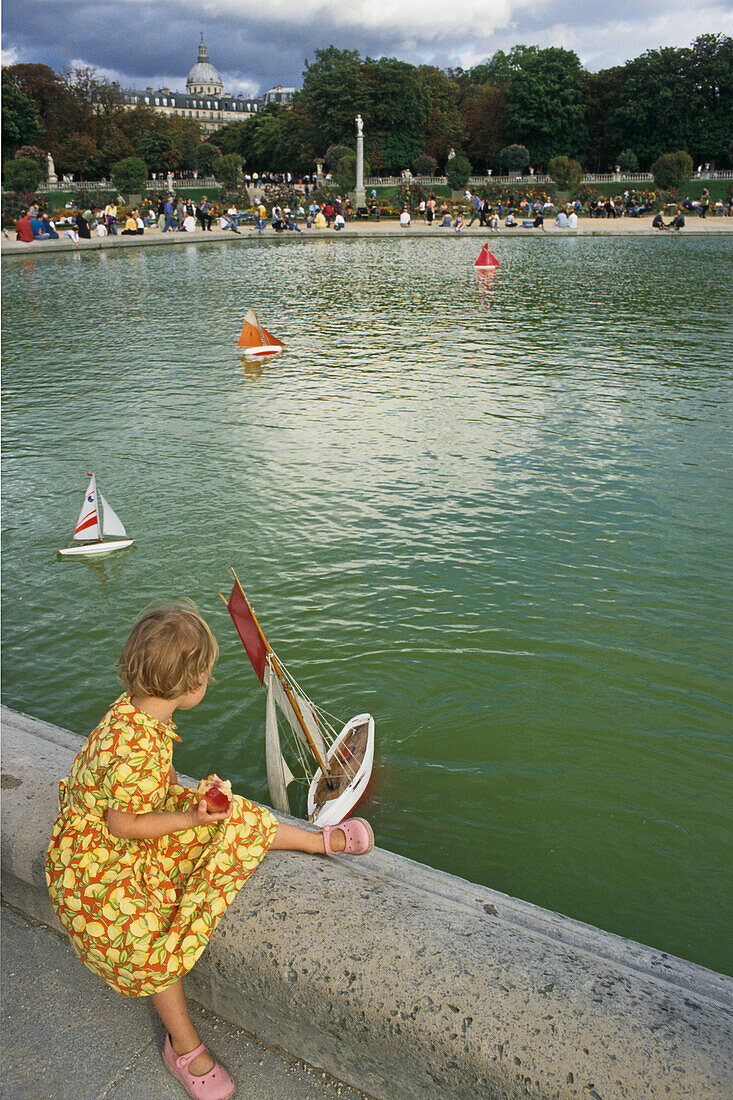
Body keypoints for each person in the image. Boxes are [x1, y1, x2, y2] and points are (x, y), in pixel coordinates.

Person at [46, 605, 374, 1100]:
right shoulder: (136, 744)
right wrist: (192, 818)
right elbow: (124, 823)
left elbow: (137, 794)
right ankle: (183, 1045)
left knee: (234, 813)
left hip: (133, 819)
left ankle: (320, 839)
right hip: (99, 857)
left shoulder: (135, 711)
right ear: (191, 686)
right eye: (206, 675)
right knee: (147, 937)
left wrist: (191, 806)